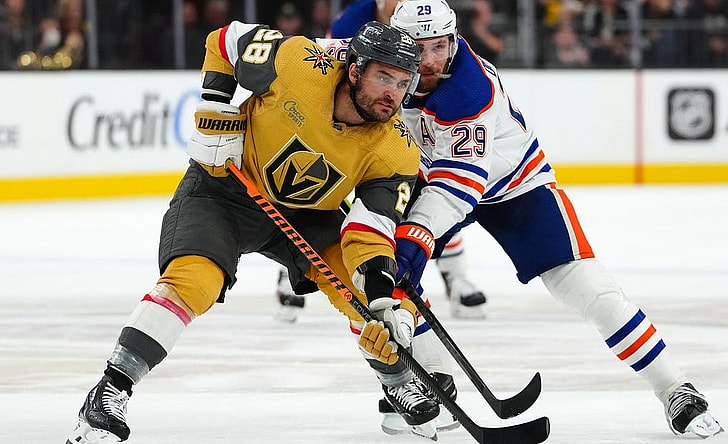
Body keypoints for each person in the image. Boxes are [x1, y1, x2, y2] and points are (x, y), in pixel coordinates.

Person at [65, 20, 447, 443]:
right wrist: (216, 107)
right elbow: (223, 41)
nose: (393, 93)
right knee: (194, 283)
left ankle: (397, 384)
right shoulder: (297, 64)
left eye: (403, 82)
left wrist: (379, 300)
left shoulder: (397, 148)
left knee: (369, 295)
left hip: (307, 215)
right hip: (223, 190)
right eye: (384, 77)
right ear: (355, 70)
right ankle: (110, 390)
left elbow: (371, 228)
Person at [389, 0, 724, 438]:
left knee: (590, 289)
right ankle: (432, 377)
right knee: (385, 268)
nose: (431, 60)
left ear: (453, 40)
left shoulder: (468, 91)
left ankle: (674, 387)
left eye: (439, 46)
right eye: (419, 48)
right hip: (433, 175)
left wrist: (416, 238)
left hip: (513, 186)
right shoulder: (384, 67)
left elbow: (457, 186)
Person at [275, 0, 488, 323]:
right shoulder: (353, 21)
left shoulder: (429, 24)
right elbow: (329, 71)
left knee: (429, 197)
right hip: (363, 127)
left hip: (411, 129)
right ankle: (291, 269)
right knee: (314, 193)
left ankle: (454, 276)